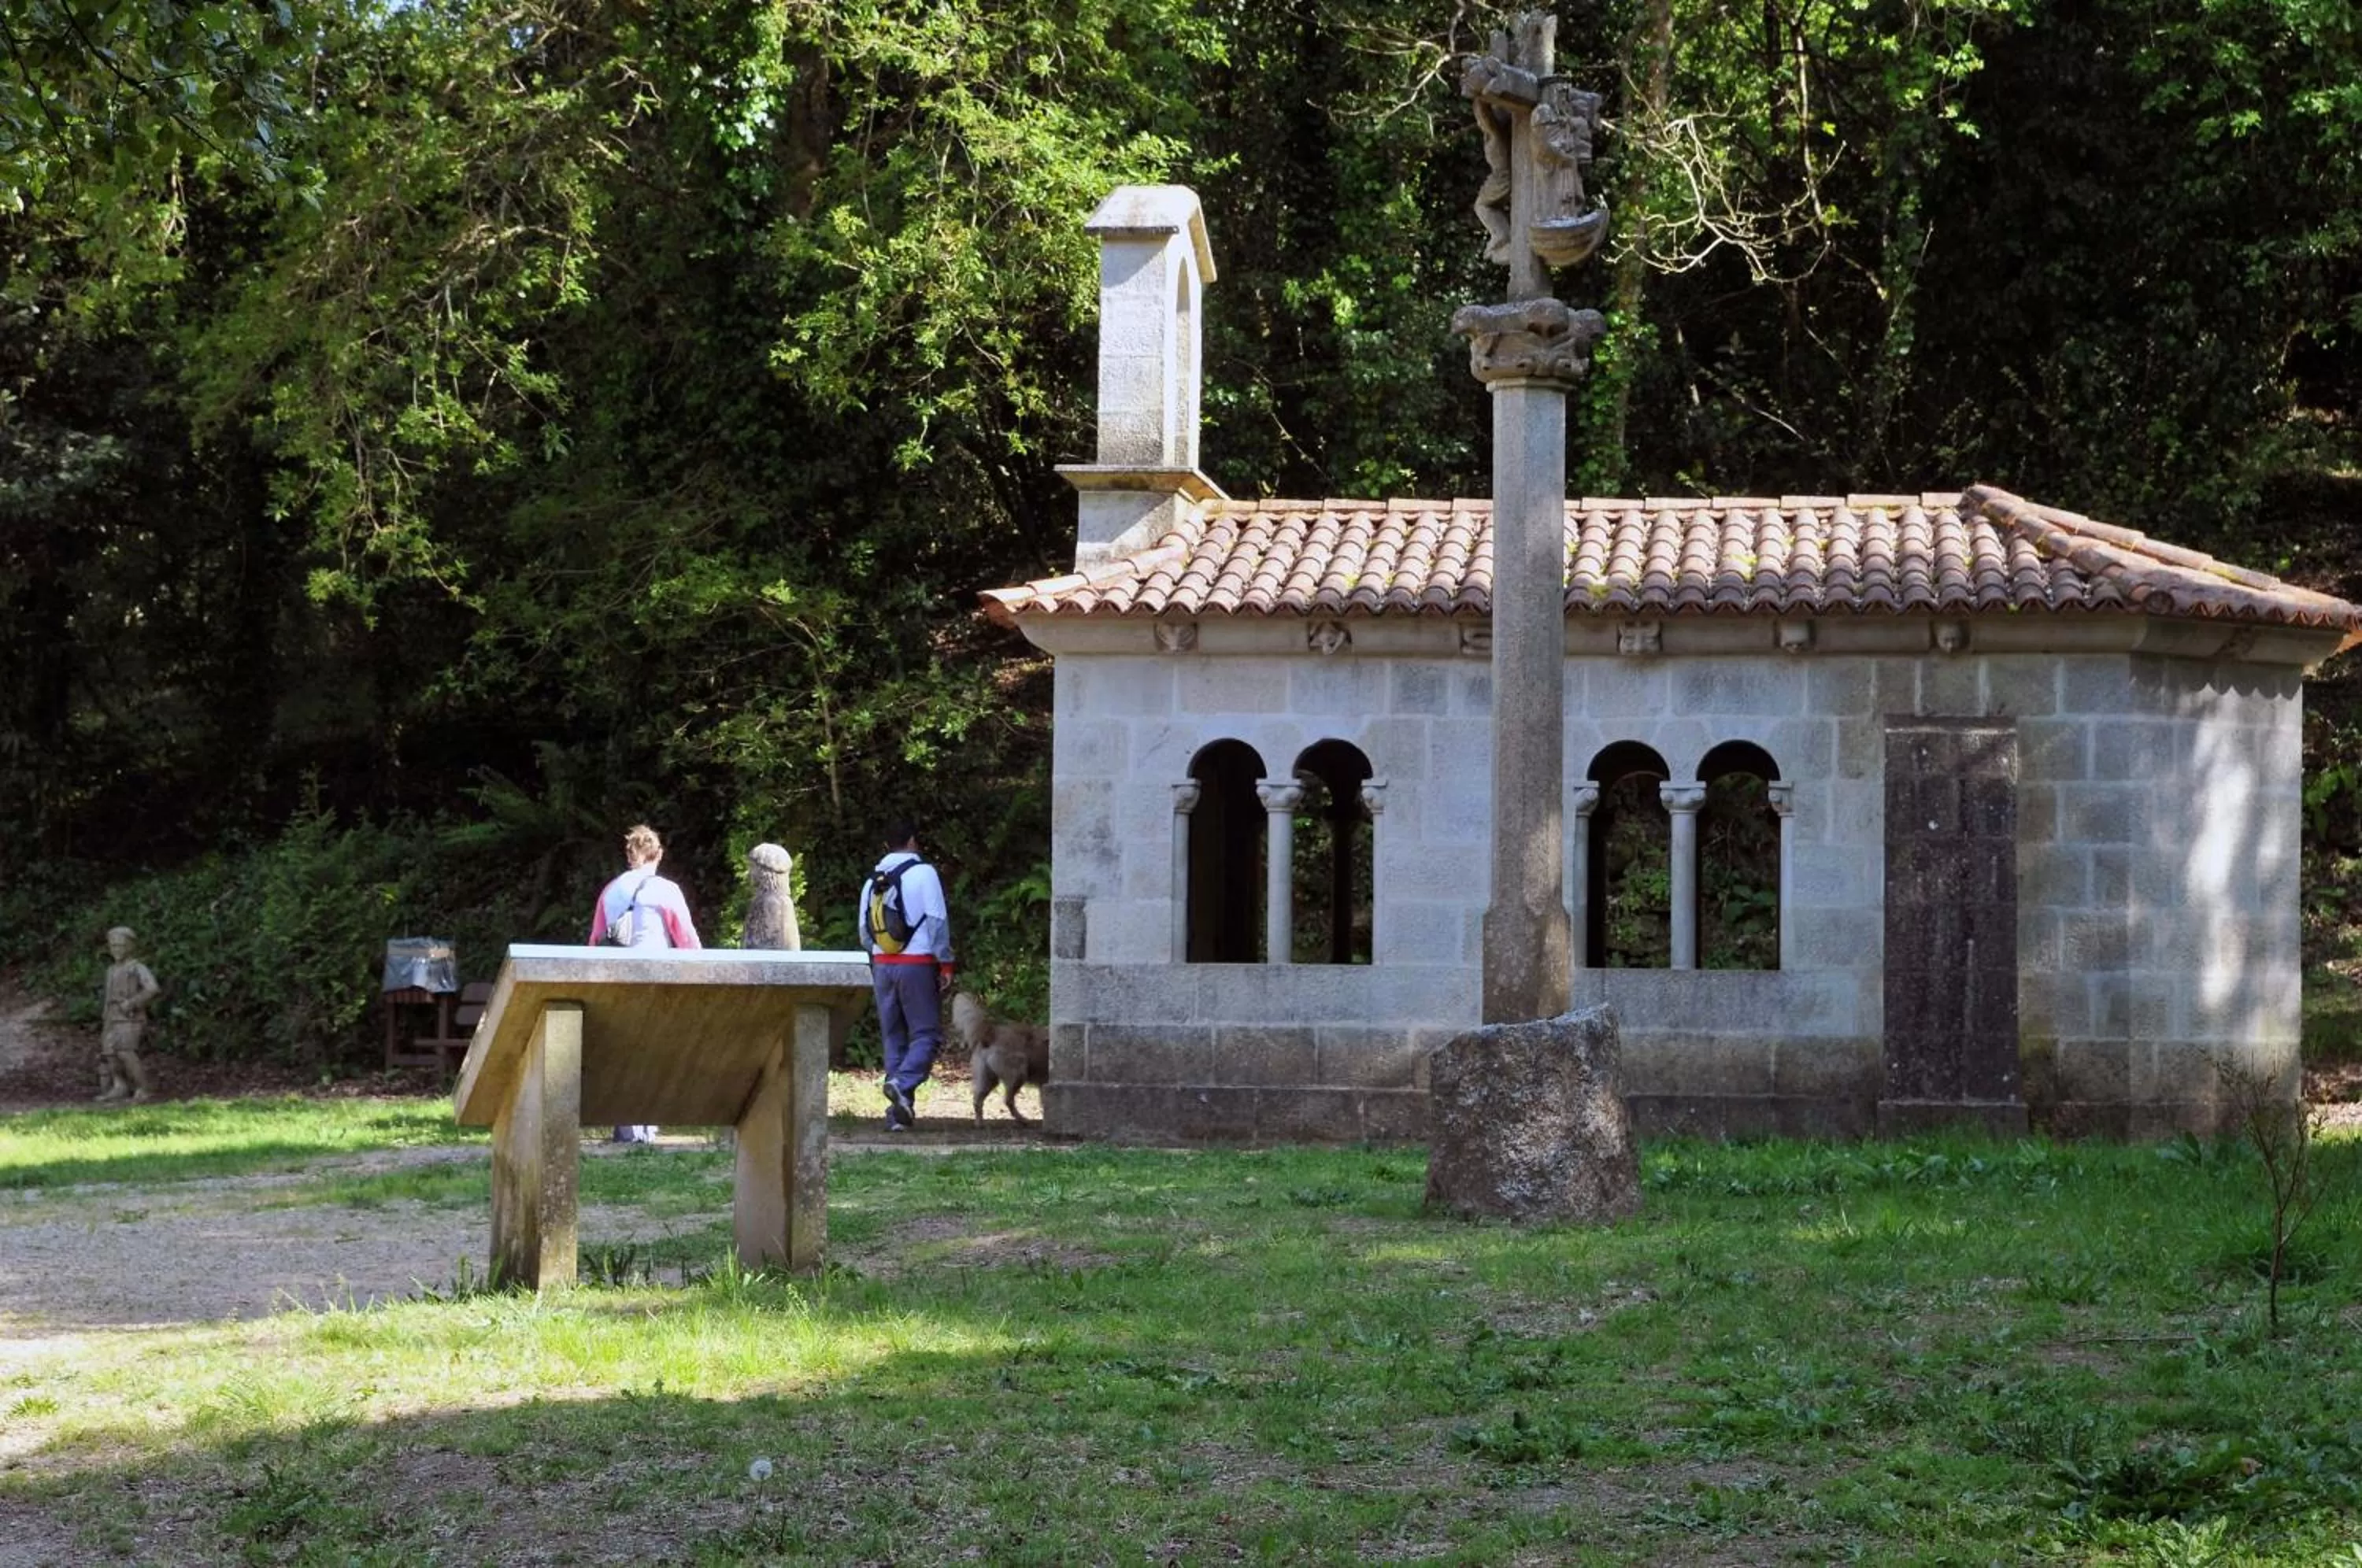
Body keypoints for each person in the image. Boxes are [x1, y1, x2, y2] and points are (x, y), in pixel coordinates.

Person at [587, 823, 702, 1142]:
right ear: (659, 854)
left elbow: (595, 943)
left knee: (622, 1051)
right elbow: (689, 944)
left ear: (629, 856)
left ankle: (626, 1125)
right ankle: (644, 1127)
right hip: (655, 980)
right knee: (651, 1051)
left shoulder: (610, 891)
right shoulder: (666, 891)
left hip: (615, 981)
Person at [857, 817, 955, 1131]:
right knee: (927, 1034)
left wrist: (881, 955)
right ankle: (903, 1082)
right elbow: (937, 921)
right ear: (913, 841)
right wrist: (946, 963)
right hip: (917, 964)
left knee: (894, 1036)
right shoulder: (924, 873)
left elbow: (863, 929)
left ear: (888, 844)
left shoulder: (873, 879)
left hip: (882, 965)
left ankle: (898, 1116)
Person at [97, 926, 158, 1103]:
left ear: (130, 946)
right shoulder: (111, 970)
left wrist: (131, 1003)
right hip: (111, 1017)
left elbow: (152, 988)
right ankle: (120, 1086)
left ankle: (143, 1088)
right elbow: (108, 996)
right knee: (110, 1053)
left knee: (126, 1052)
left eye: (121, 946)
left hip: (129, 1018)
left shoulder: (137, 968)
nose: (117, 950)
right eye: (113, 946)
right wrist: (105, 1016)